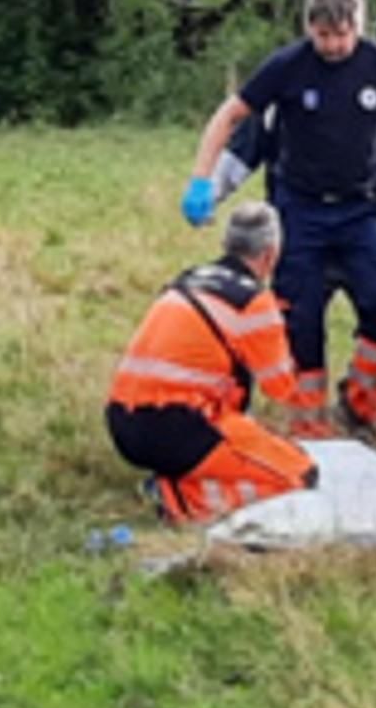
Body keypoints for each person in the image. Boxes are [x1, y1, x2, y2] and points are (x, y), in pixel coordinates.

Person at [184, 0, 376, 436]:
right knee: (300, 318)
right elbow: (230, 116)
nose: (334, 45)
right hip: (300, 209)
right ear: (310, 30)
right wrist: (203, 179)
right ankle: (308, 424)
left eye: (342, 35)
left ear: (357, 26)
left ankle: (361, 397)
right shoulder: (288, 66)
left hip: (360, 208)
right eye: (324, 36)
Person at [108, 200, 322, 523]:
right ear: (271, 254)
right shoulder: (253, 302)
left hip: (123, 422)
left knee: (244, 438)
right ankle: (181, 502)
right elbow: (280, 389)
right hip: (178, 428)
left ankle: (176, 482)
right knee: (299, 474)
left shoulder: (188, 280)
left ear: (226, 244)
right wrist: (285, 335)